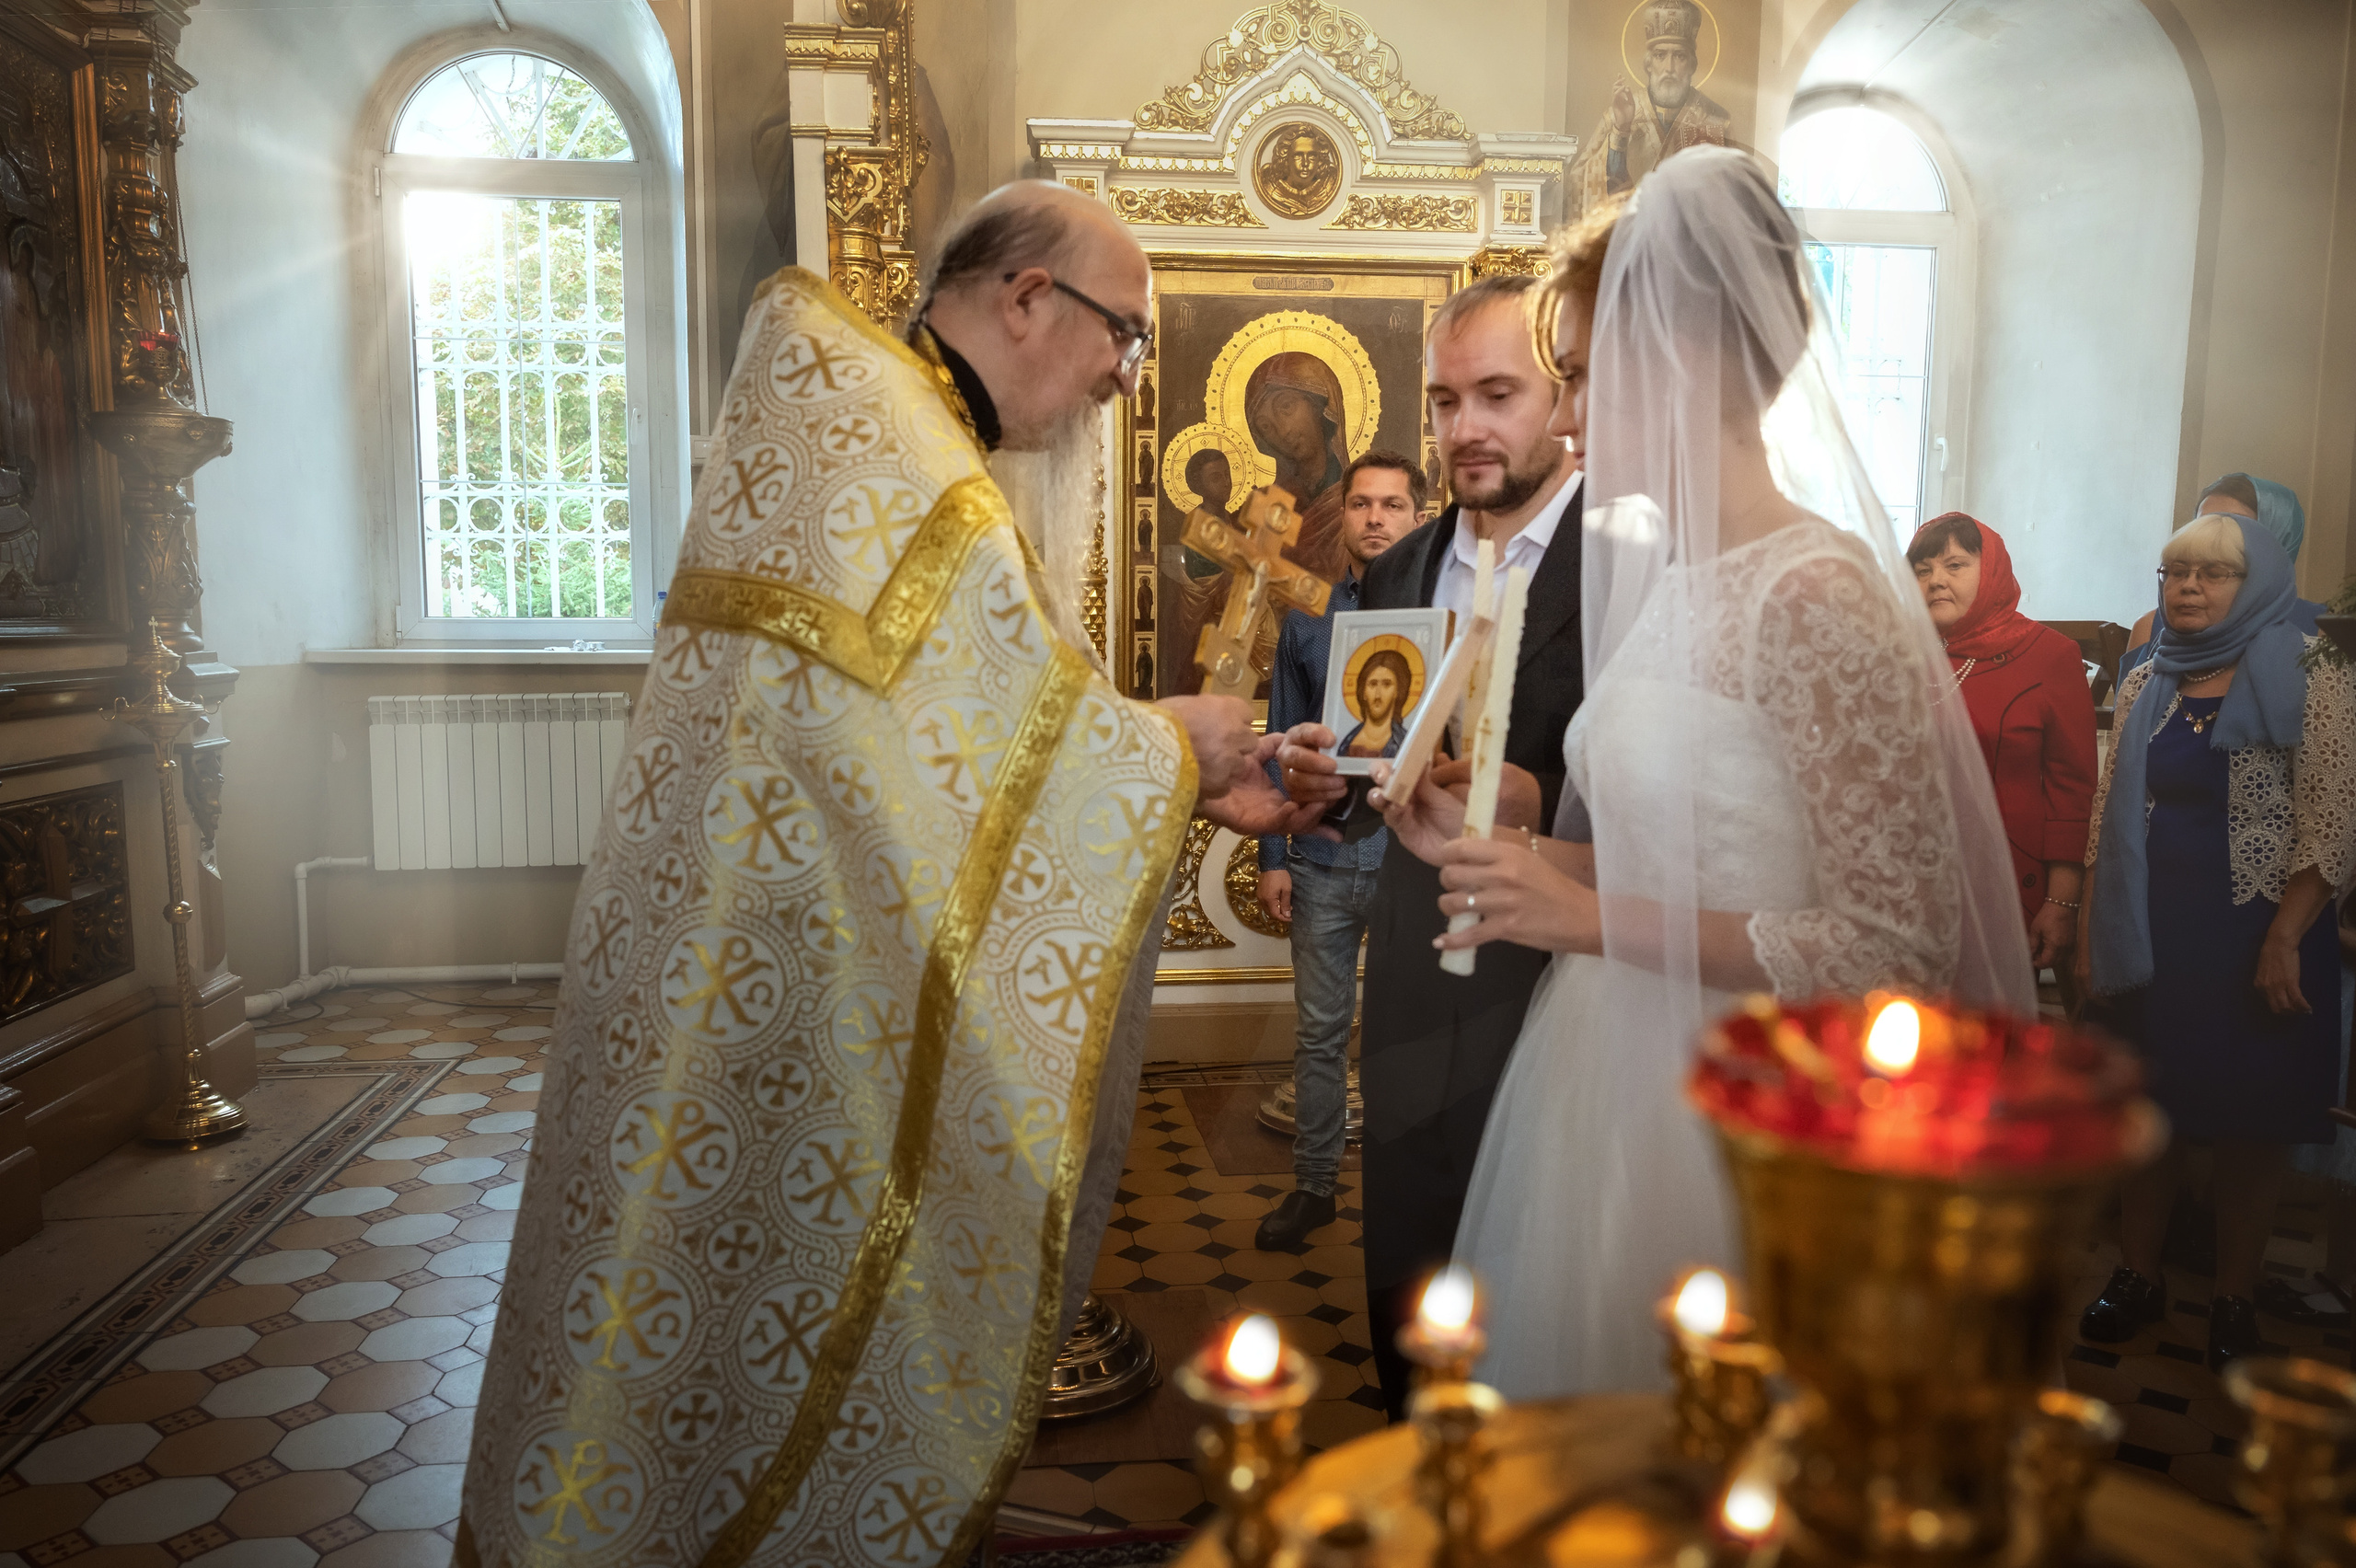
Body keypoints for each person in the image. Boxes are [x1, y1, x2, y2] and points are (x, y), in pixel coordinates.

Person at [456, 181, 1325, 1568]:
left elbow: (942, 754)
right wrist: (1172, 746)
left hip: (785, 966)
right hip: (785, 983)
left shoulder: (903, 437)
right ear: (1030, 296)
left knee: (725, 1313)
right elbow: (963, 759)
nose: (1123, 374)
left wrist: (1184, 765)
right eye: (1125, 334)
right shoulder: (896, 449)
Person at [1369, 149, 2034, 1401]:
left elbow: (1899, 943)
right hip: (1605, 1076)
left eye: (1582, 379)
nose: (1564, 421)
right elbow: (1679, 859)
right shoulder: (1675, 580)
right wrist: (1515, 857)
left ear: (1685, 363)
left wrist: (1585, 916)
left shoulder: (1819, 592)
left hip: (1754, 1114)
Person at [1274, 271, 1586, 1417]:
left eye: (1497, 395)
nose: (1466, 430)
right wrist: (1328, 778)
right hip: (1411, 959)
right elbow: (1374, 760)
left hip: (1560, 962)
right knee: (1410, 1217)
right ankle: (1418, 1446)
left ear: (1562, 397)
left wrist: (1535, 798)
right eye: (1447, 401)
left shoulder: (1628, 559)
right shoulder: (1401, 567)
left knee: (1541, 1235)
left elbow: (1673, 789)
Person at [2075, 513, 2356, 1369]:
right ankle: (2138, 1274)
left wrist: (2285, 933)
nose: (2188, 588)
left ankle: (2233, 1297)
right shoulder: (2146, 676)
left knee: (2249, 1126)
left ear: (2257, 581)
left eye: (2212, 574)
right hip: (2152, 929)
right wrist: (2093, 929)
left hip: (2260, 933)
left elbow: (2335, 816)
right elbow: (2106, 815)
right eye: (2175, 573)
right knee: (2147, 1111)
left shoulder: (2316, 671)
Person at [1253, 451, 1420, 1251]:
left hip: (1407, 860)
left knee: (1405, 1038)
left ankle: (1404, 1196)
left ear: (1419, 515)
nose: (1377, 518)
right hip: (1319, 862)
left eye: (1393, 504)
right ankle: (1314, 1189)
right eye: (1361, 504)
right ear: (1341, 515)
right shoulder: (1307, 618)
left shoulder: (1446, 619)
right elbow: (1279, 743)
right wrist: (1273, 860)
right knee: (1319, 1034)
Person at [1908, 513, 2099, 972]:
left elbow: (2073, 788)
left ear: (1990, 569)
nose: (1936, 581)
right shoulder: (1900, 653)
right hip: (1910, 881)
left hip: (2008, 880)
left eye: (1955, 566)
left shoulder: (2049, 654)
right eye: (1922, 570)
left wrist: (2063, 902)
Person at [2122, 473, 2321, 677]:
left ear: (2277, 539)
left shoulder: (2323, 629)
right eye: (2204, 524)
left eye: (2234, 525)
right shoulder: (2149, 627)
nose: (2213, 536)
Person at [1570, 0, 1731, 215]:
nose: (1669, 68)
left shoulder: (1716, 120)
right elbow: (1581, 180)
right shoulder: (1616, 117)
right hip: (1634, 238)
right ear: (1648, 64)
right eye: (1660, 55)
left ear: (1692, 65)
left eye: (1679, 56)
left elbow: (1728, 196)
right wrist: (1621, 130)